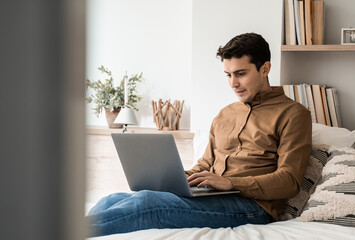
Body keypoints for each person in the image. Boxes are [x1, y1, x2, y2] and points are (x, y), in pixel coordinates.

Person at [86, 32, 312, 237]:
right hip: (212, 195)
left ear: (265, 69)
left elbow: (289, 181)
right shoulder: (226, 114)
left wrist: (230, 182)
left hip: (252, 206)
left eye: (241, 74)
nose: (233, 83)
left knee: (148, 203)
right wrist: (179, 177)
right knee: (112, 199)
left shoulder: (293, 114)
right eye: (228, 75)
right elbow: (206, 163)